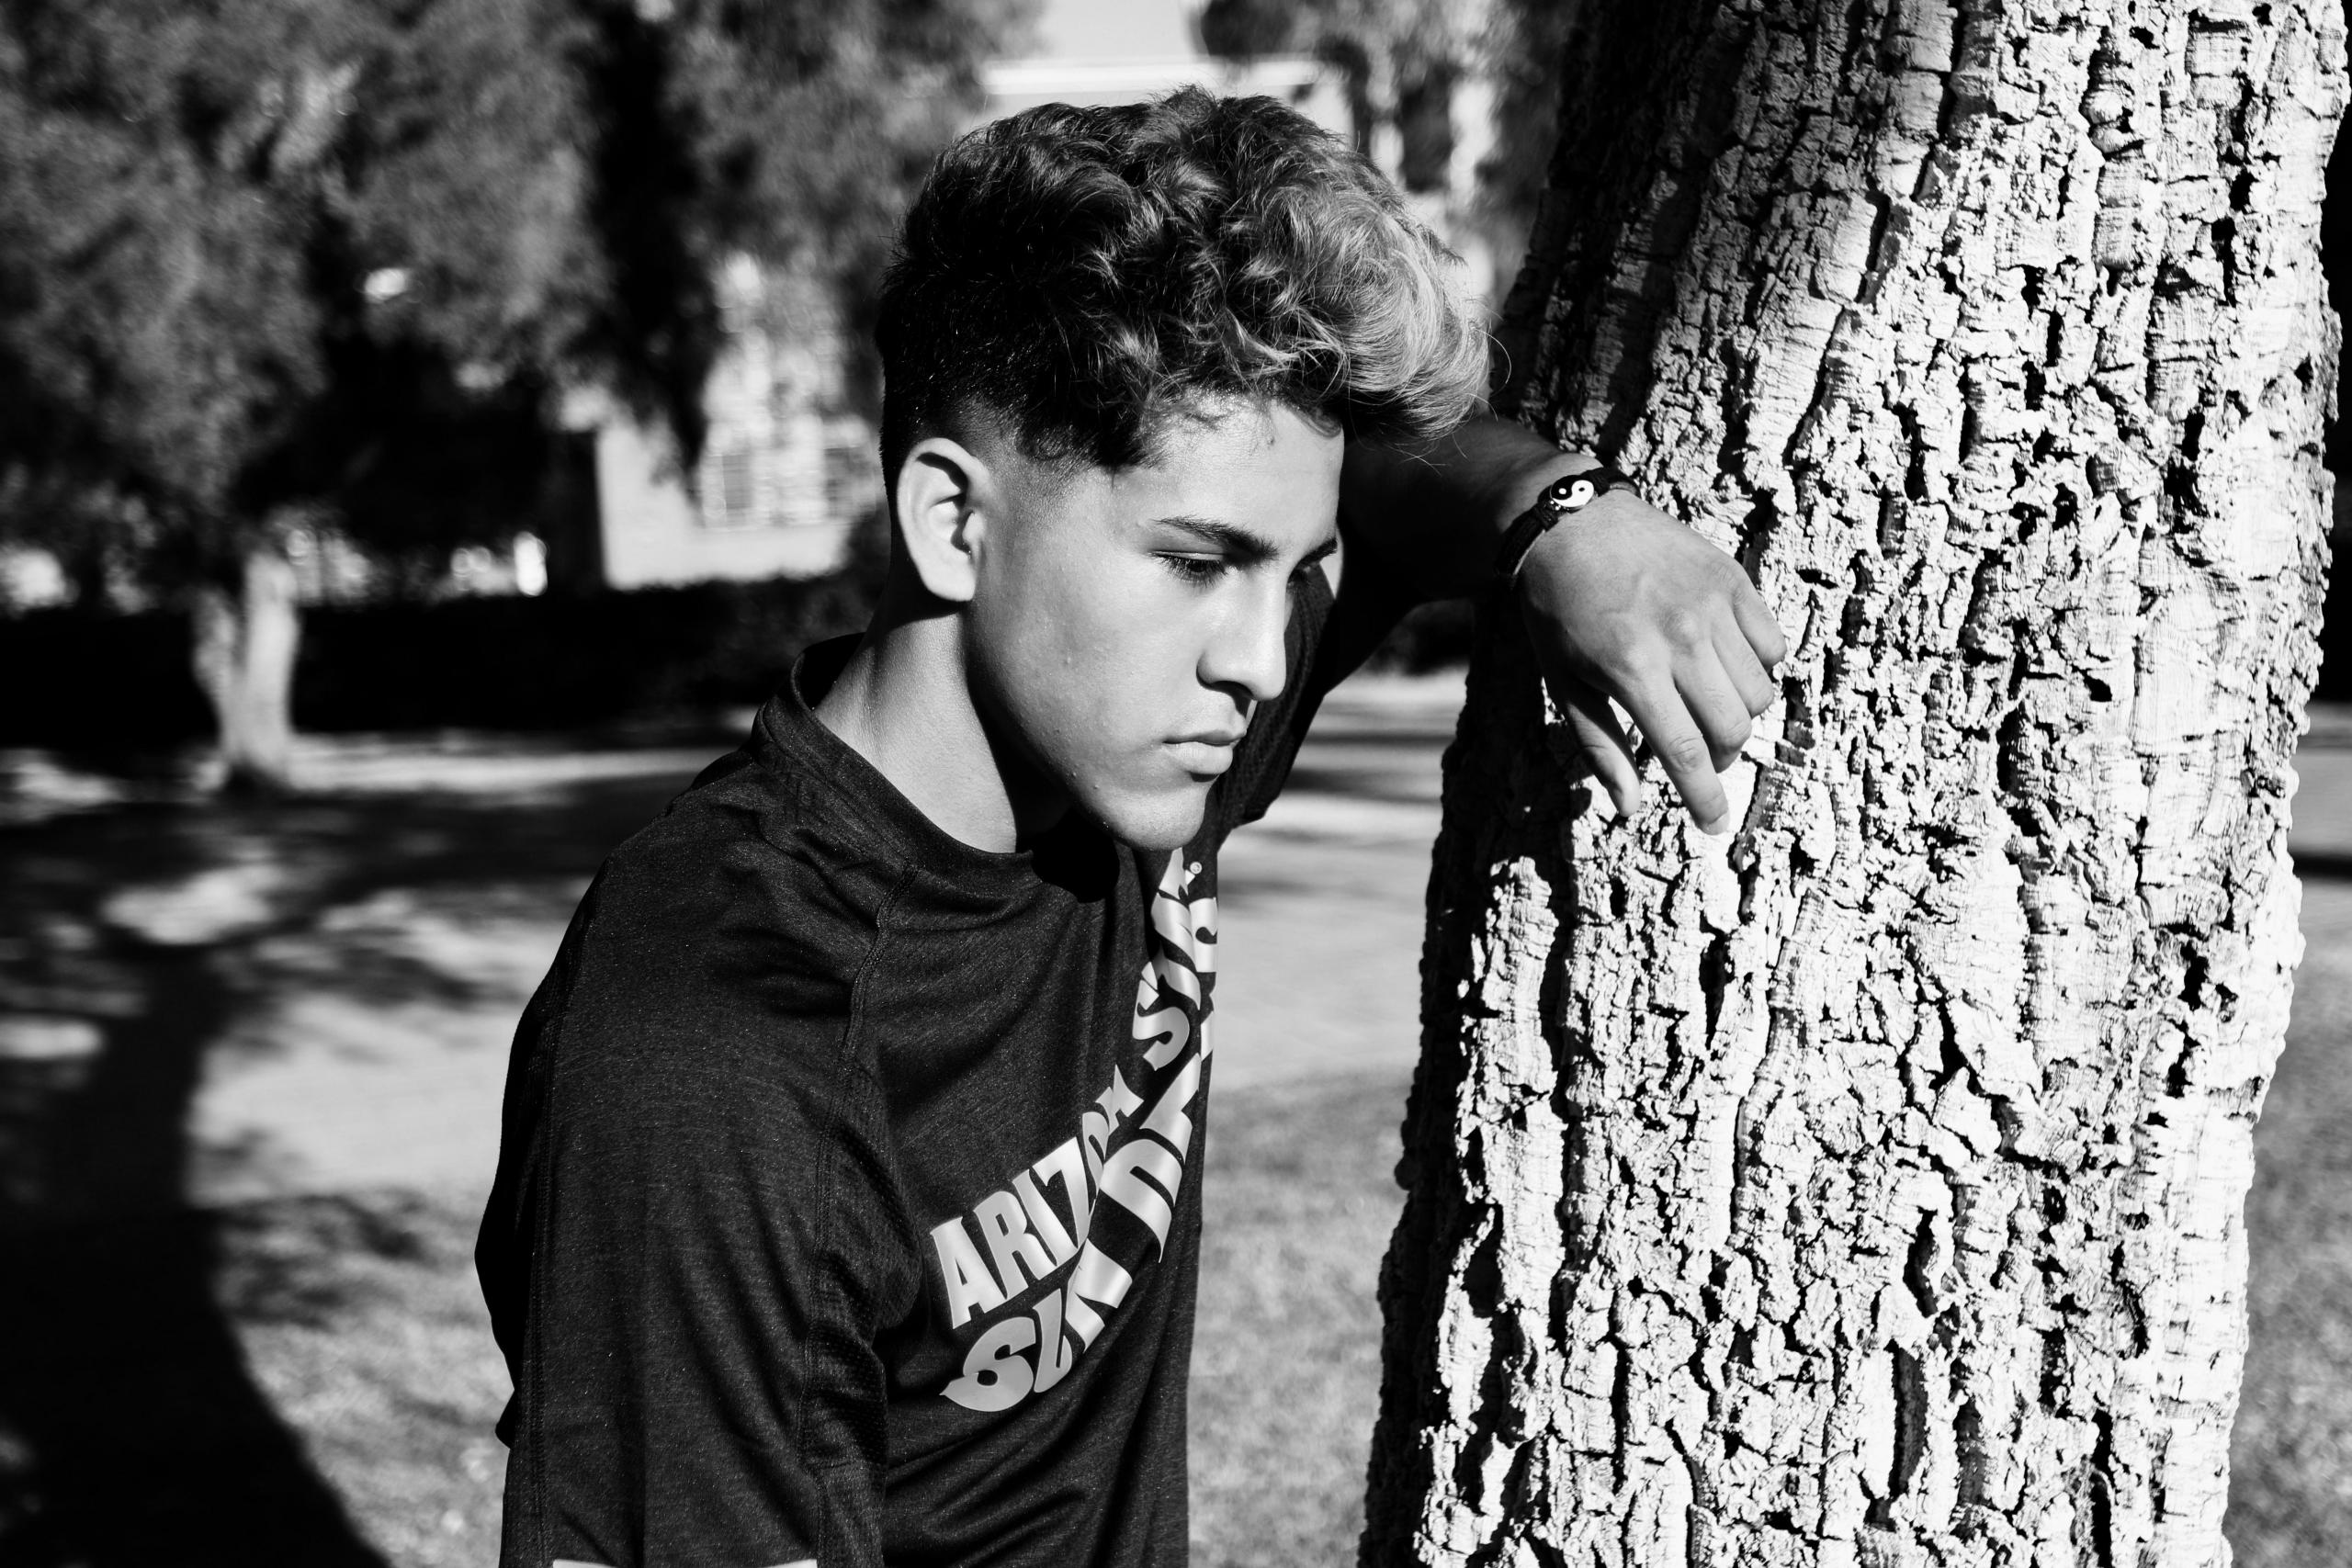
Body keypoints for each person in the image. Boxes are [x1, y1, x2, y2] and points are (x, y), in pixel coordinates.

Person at [476, 88, 1786, 1568]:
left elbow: (1407, 482)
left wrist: (1567, 519)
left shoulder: (1130, 741)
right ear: (952, 523)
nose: (1267, 659)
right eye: (1199, 560)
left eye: (1295, 573)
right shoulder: (714, 1055)